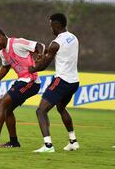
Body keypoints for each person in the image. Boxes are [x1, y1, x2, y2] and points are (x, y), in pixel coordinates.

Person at [0, 28, 44, 148]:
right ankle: (14, 142)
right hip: (22, 81)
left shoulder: (17, 43)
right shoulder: (2, 52)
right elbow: (5, 68)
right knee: (6, 109)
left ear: (1, 37)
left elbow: (40, 45)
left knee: (0, 104)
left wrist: (40, 55)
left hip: (31, 82)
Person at [29, 13, 79, 153]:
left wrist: (33, 68)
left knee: (41, 111)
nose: (50, 28)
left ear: (57, 25)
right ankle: (73, 141)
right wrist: (43, 57)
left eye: (51, 25)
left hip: (62, 81)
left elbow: (44, 65)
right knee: (61, 108)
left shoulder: (56, 43)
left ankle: (48, 145)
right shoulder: (73, 38)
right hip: (74, 81)